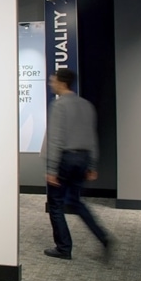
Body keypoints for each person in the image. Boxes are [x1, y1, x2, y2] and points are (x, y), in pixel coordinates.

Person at [42, 68, 112, 261]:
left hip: (64, 159)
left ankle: (64, 248)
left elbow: (55, 139)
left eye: (53, 81)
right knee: (75, 202)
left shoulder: (59, 106)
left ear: (62, 83)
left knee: (55, 204)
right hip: (82, 159)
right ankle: (102, 236)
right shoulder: (86, 105)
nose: (51, 84)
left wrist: (51, 169)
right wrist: (92, 164)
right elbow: (92, 137)